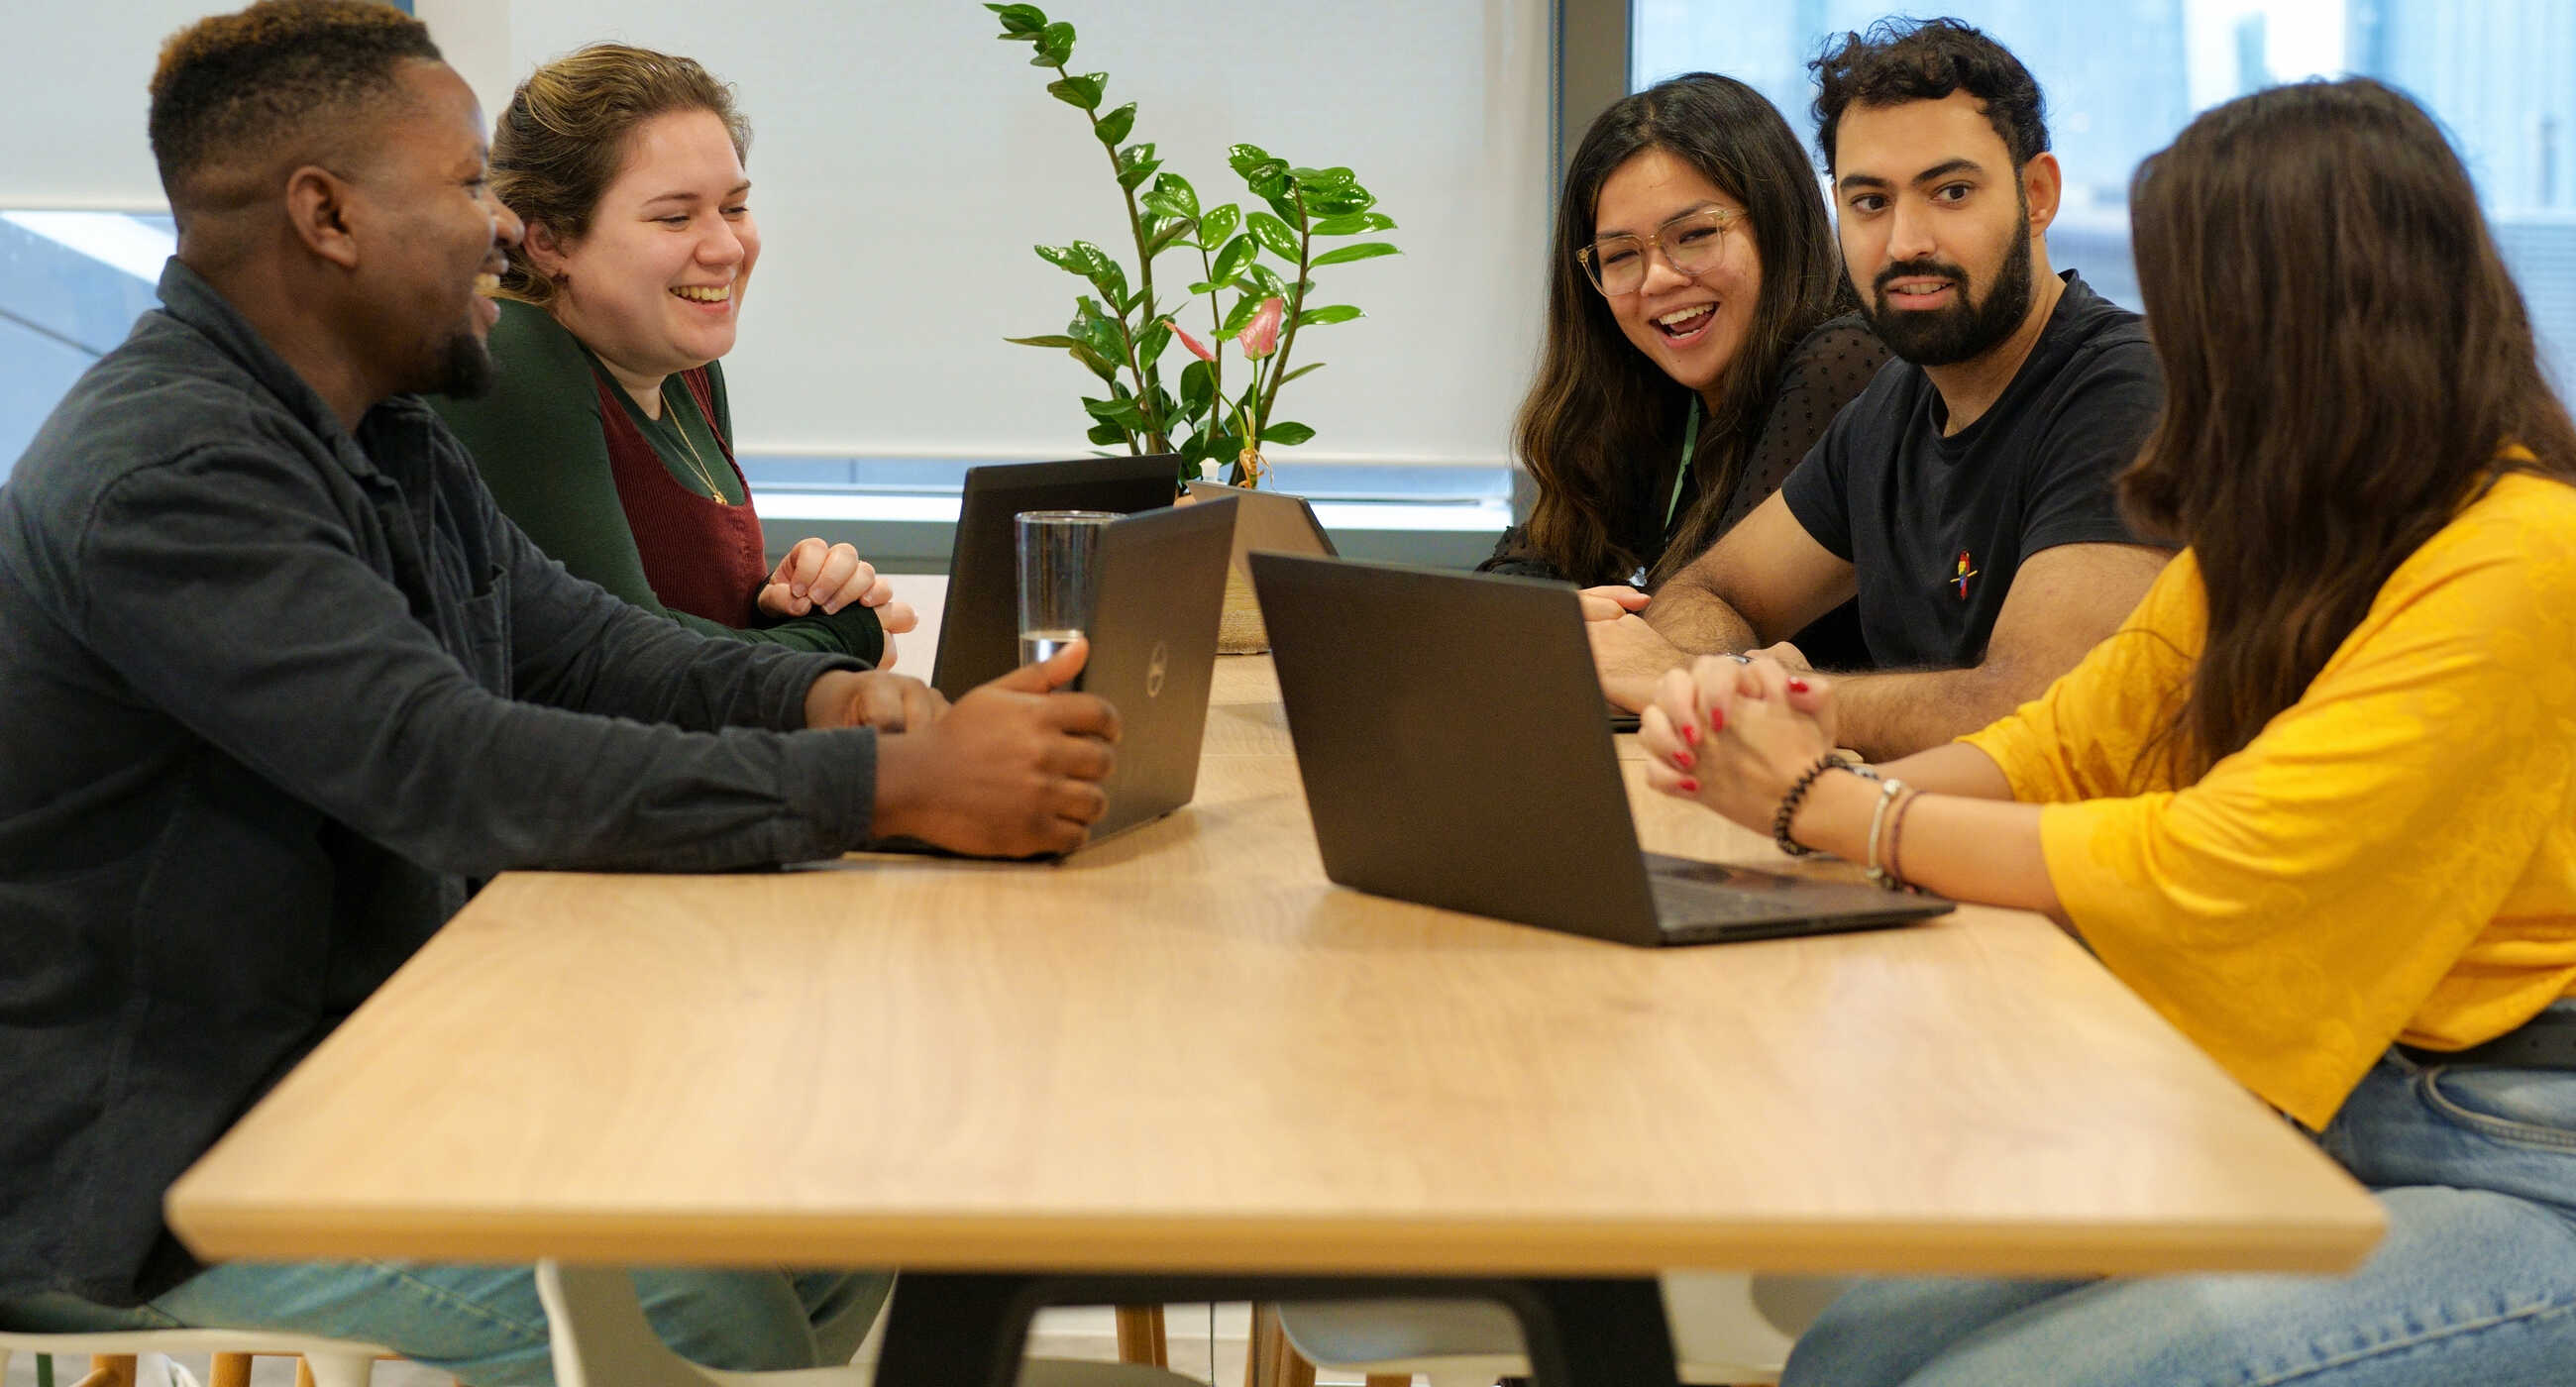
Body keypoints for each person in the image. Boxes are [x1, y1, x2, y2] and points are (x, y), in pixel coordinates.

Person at [0, 6, 1117, 1383]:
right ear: (327, 216)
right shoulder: (169, 476)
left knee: (839, 1198)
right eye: (469, 185)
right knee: (695, 1319)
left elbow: (590, 649)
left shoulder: (386, 432)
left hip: (386, 1085)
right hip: (164, 1188)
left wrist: (843, 710)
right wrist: (889, 789)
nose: (507, 230)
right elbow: (457, 767)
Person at [1640, 77, 2576, 1386]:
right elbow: (2070, 743)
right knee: (1851, 1352)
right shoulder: (2295, 533)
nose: (2173, 348)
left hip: (2532, 1158)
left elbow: (2212, 860)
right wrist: (1786, 776)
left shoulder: (2527, 558)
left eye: (2196, 307)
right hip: (2339, 1101)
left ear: (2306, 316)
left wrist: (1837, 806)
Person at [1590, 19, 2172, 761]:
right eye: (1870, 202)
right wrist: (1694, 673)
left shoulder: (2127, 387)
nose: (1904, 242)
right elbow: (1714, 593)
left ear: (2037, 194)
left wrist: (1733, 692)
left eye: (1951, 192)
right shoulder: (1893, 406)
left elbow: (2038, 710)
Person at [431, 44, 914, 663]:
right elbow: (618, 660)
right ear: (548, 239)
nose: (726, 248)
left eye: (734, 207)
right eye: (676, 218)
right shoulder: (515, 355)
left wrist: (786, 599)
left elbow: (682, 617)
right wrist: (843, 638)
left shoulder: (688, 370)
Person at [1481, 72, 1887, 670]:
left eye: (1694, 236)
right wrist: (1550, 616)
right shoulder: (1659, 392)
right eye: (1621, 255)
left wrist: (1559, 625)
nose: (1658, 279)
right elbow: (1519, 572)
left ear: (1776, 222)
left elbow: (1712, 625)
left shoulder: (1845, 360)